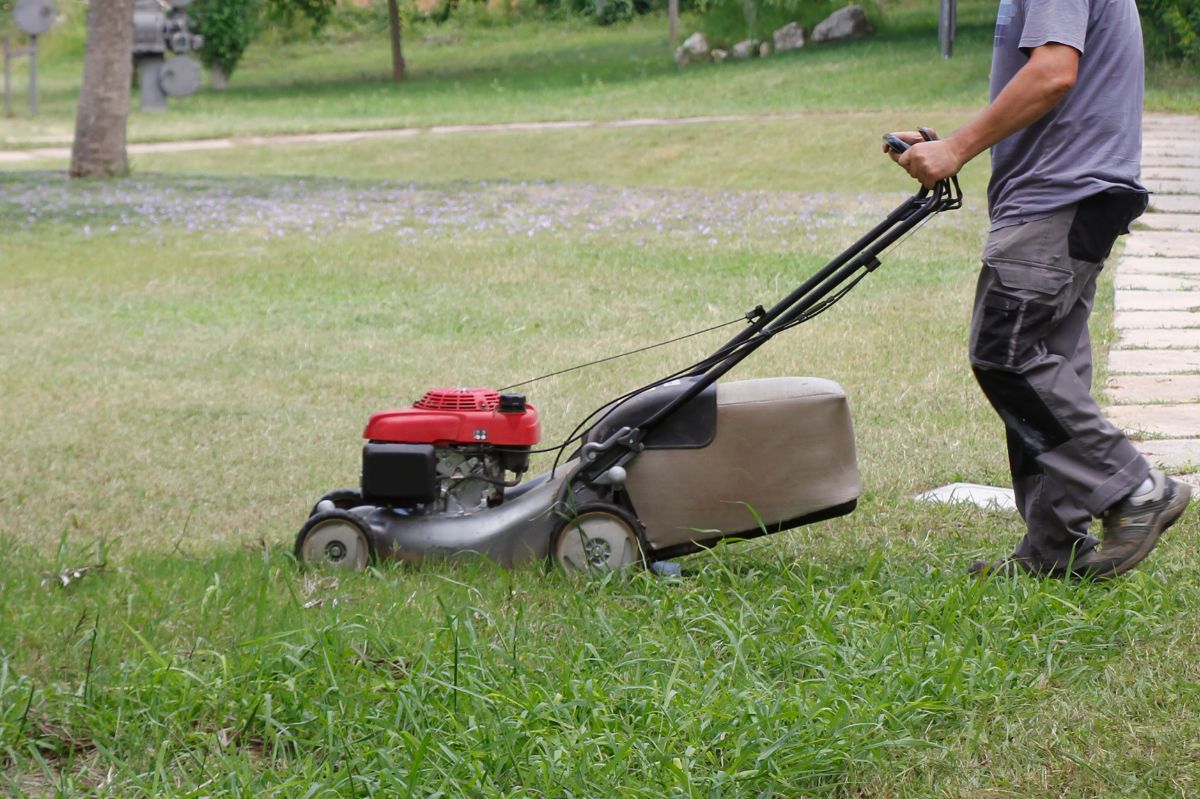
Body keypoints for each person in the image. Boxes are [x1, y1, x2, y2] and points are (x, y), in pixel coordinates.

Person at [885, 0, 1190, 578]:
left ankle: (1135, 489)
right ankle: (1055, 549)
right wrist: (946, 142)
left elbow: (1054, 73)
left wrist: (954, 149)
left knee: (1007, 353)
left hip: (1057, 196)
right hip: (1076, 194)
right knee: (1053, 371)